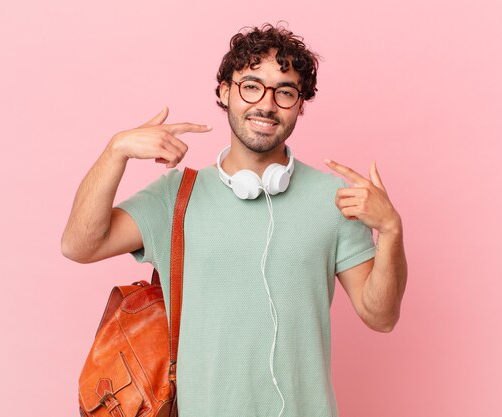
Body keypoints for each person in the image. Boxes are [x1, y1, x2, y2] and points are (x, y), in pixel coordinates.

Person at [62, 23, 407, 417]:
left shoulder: (334, 199)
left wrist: (392, 231)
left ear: (300, 104)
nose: (267, 103)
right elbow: (78, 245)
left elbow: (381, 317)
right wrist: (116, 150)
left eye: (285, 92)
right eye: (251, 86)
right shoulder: (176, 196)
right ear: (225, 91)